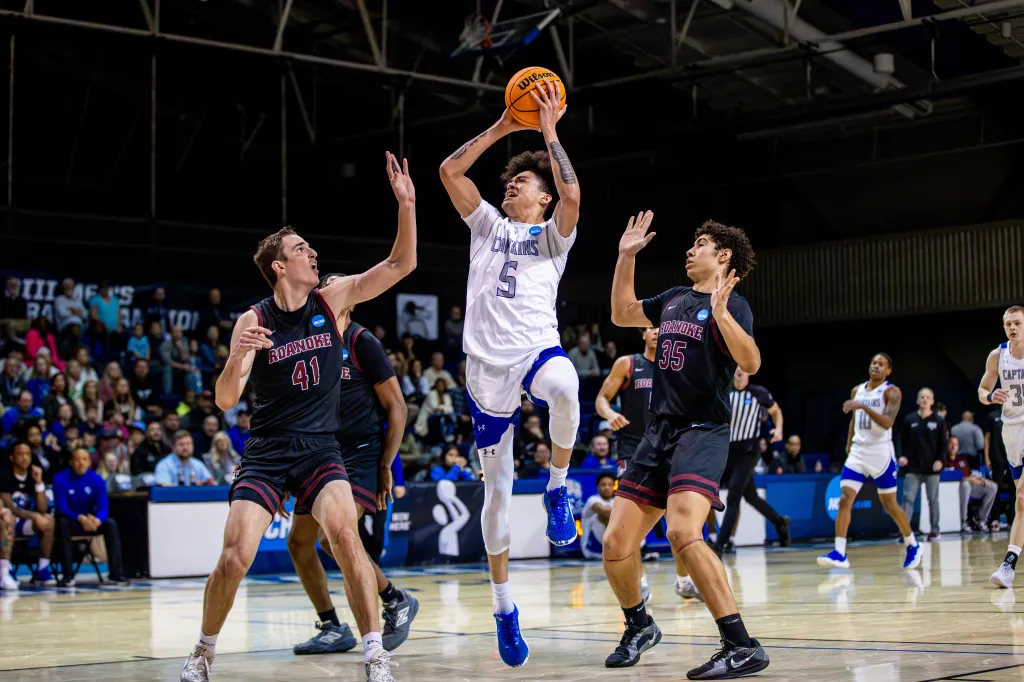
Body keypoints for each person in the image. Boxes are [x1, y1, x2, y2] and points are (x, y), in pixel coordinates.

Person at [178, 151, 415, 682]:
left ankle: (374, 653)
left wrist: (406, 205)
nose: (313, 253)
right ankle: (203, 652)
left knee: (345, 536)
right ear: (279, 267)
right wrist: (238, 357)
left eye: (310, 247)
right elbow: (225, 400)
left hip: (320, 449)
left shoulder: (332, 301)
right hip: (267, 450)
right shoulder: (253, 319)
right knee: (235, 557)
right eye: (301, 249)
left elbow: (400, 265)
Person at [439, 79, 581, 668]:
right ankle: (503, 608)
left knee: (567, 386)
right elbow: (449, 171)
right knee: (495, 496)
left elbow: (574, 193)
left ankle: (556, 487)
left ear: (542, 198)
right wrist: (502, 125)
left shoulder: (553, 236)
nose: (510, 184)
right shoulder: (486, 225)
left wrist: (548, 132)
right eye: (510, 180)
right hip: (484, 370)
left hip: (534, 350)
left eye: (522, 181)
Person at [606, 210, 769, 677]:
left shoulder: (735, 306)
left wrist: (721, 314)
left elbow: (751, 362)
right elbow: (621, 313)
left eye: (699, 244)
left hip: (702, 431)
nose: (689, 249)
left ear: (723, 255)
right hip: (658, 431)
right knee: (616, 542)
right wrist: (625, 256)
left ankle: (741, 645)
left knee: (682, 532)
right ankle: (639, 625)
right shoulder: (674, 298)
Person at [288, 273, 418, 657]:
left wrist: (387, 464)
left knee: (334, 537)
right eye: (327, 286)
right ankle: (332, 626)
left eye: (340, 285)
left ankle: (395, 600)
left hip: (360, 452)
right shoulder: (309, 342)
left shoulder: (362, 342)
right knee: (299, 542)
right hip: (319, 452)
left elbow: (397, 407)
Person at [817, 354, 920, 571]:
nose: (876, 366)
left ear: (888, 371)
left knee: (890, 505)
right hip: (858, 451)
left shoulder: (892, 392)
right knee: (845, 498)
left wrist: (863, 407)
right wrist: (849, 445)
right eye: (874, 363)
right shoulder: (857, 390)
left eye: (881, 364)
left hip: (881, 452)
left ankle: (912, 544)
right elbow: (854, 421)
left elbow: (887, 423)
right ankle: (839, 552)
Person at [714, 368, 789, 555]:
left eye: (743, 370)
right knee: (751, 497)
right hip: (729, 450)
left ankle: (720, 544)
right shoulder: (725, 392)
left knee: (733, 496)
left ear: (748, 373)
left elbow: (776, 411)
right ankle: (780, 522)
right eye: (736, 370)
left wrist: (779, 429)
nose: (739, 373)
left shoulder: (758, 393)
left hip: (748, 450)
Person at [980, 306, 1024, 589]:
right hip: (1011, 431)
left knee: (1021, 497)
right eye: (1009, 324)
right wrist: (990, 396)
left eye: (1017, 323)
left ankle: (1008, 564)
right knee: (1022, 502)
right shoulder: (998, 355)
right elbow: (982, 390)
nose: (1013, 328)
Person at [53, 447, 129, 585]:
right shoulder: (60, 479)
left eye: (84, 459)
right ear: (71, 462)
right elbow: (61, 507)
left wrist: (98, 520)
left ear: (89, 462)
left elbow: (103, 507)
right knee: (62, 523)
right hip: (71, 520)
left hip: (90, 521)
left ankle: (116, 573)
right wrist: (79, 517)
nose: (81, 463)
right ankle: (67, 575)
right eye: (77, 459)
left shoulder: (96, 479)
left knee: (110, 524)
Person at [595, 328, 657, 463]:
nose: (657, 332)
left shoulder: (675, 368)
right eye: (651, 328)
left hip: (664, 445)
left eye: (661, 328)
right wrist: (610, 414)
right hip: (632, 445)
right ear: (644, 334)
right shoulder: (627, 363)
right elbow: (601, 398)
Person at [0, 442, 59, 586]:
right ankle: (5, 571)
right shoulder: (4, 475)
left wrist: (39, 483)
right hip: (7, 520)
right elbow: (9, 506)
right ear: (12, 457)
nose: (24, 458)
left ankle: (42, 569)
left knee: (48, 520)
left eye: (27, 454)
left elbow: (42, 508)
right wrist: (34, 516)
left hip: (24, 522)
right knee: (8, 518)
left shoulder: (33, 475)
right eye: (20, 454)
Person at [898, 387, 947, 539]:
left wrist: (940, 460)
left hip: (932, 468)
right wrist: (900, 456)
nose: (924, 399)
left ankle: (935, 530)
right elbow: (900, 440)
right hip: (913, 468)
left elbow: (943, 444)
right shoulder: (909, 419)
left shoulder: (938, 420)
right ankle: (905, 532)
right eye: (922, 397)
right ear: (917, 400)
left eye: (927, 397)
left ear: (932, 401)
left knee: (933, 500)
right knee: (908, 499)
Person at [581, 472, 616, 559]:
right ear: (597, 487)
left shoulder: (616, 501)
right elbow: (604, 511)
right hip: (593, 547)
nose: (607, 487)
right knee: (606, 515)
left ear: (613, 487)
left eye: (610, 485)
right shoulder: (592, 500)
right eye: (603, 485)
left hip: (613, 549)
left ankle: (636, 548)